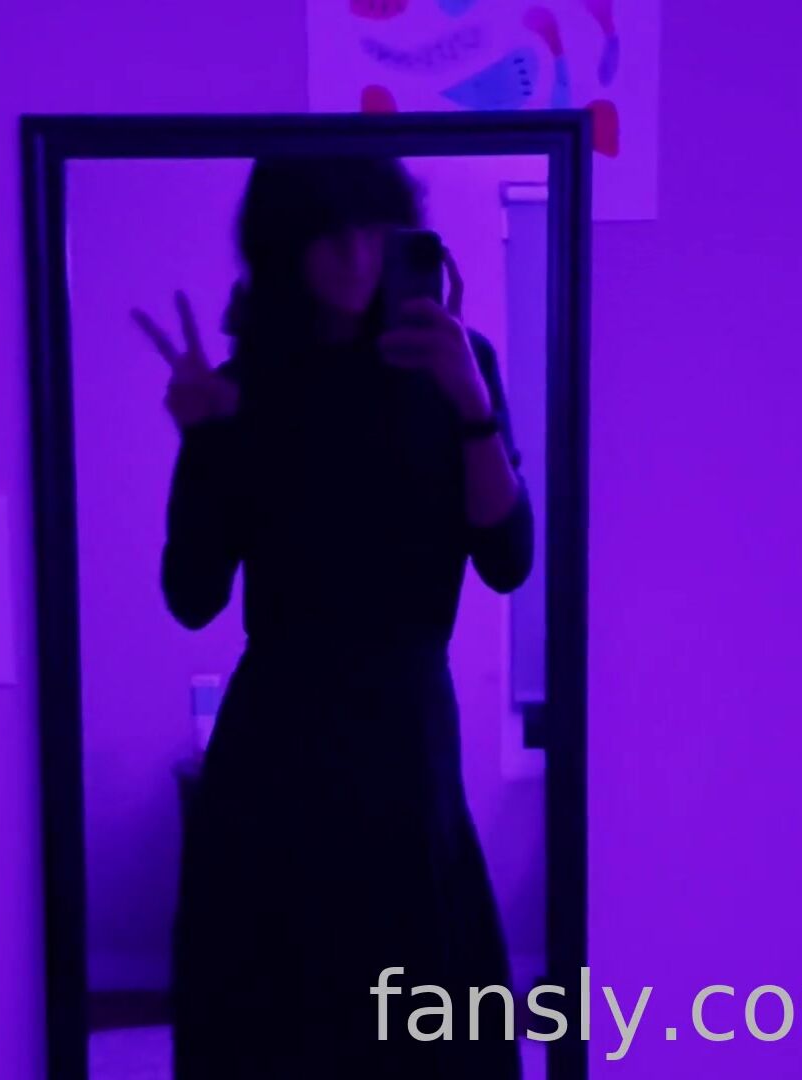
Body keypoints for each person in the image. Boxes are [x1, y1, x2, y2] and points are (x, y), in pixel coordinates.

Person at [131, 156, 531, 1079]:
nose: (355, 254)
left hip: (405, 739)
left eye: (373, 227)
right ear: (286, 246)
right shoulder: (247, 386)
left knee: (418, 1014)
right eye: (327, 232)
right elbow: (193, 596)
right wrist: (203, 444)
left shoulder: (458, 367)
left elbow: (507, 559)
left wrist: (473, 409)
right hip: (276, 744)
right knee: (274, 1021)